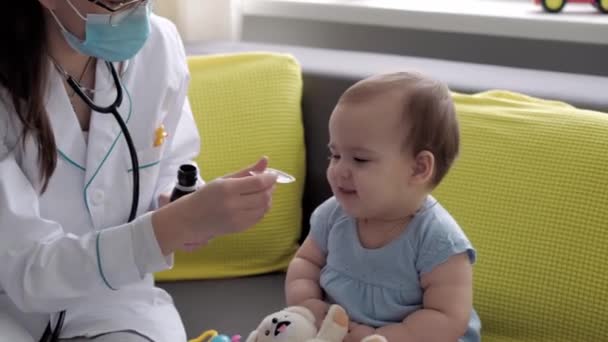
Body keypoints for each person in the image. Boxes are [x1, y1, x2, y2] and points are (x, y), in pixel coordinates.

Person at [0, 1, 277, 341]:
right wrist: (173, 226)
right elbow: (28, 274)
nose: (136, 13)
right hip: (9, 306)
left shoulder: (158, 46)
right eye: (117, 0)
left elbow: (172, 157)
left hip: (115, 299)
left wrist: (180, 199)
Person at [285, 72, 481, 341]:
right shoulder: (333, 215)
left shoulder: (439, 241)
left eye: (360, 159)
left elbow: (446, 318)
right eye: (336, 154)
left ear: (418, 168)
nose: (339, 169)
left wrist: (382, 336)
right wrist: (310, 306)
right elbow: (305, 263)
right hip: (334, 331)